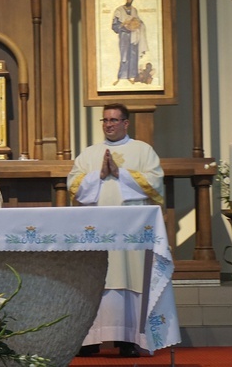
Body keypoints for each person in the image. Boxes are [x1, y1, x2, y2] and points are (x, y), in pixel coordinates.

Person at [68, 104, 164, 358]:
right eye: (105, 120)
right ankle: (90, 339)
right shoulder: (90, 154)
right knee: (98, 281)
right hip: (97, 230)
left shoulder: (143, 151)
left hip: (130, 232)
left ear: (126, 123)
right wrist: (98, 176)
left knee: (129, 280)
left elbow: (156, 185)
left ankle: (127, 340)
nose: (109, 124)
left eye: (114, 120)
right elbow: (74, 187)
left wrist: (120, 173)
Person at [111, 0, 148, 86]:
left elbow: (138, 21)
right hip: (124, 36)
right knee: (124, 56)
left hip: (134, 36)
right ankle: (121, 77)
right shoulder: (119, 10)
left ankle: (132, 76)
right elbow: (114, 25)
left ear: (132, 0)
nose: (129, 1)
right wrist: (124, 26)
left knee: (133, 56)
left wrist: (138, 24)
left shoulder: (134, 10)